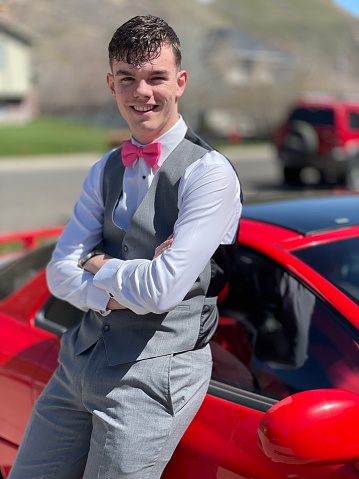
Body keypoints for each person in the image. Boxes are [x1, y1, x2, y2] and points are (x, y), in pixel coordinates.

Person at [9, 14, 242, 479]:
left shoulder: (209, 174)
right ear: (111, 84)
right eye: (128, 79)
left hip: (154, 373)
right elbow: (58, 273)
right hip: (78, 357)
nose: (142, 92)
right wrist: (118, 285)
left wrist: (96, 263)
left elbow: (161, 292)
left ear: (180, 82)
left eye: (156, 78)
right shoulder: (103, 169)